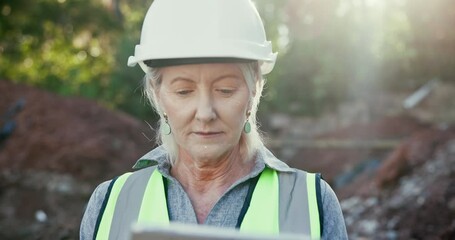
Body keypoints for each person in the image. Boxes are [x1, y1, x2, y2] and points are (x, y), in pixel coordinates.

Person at [80, 0, 348, 239]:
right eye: (184, 91)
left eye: (225, 90)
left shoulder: (313, 203)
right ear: (157, 93)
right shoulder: (109, 205)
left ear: (253, 88)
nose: (205, 113)